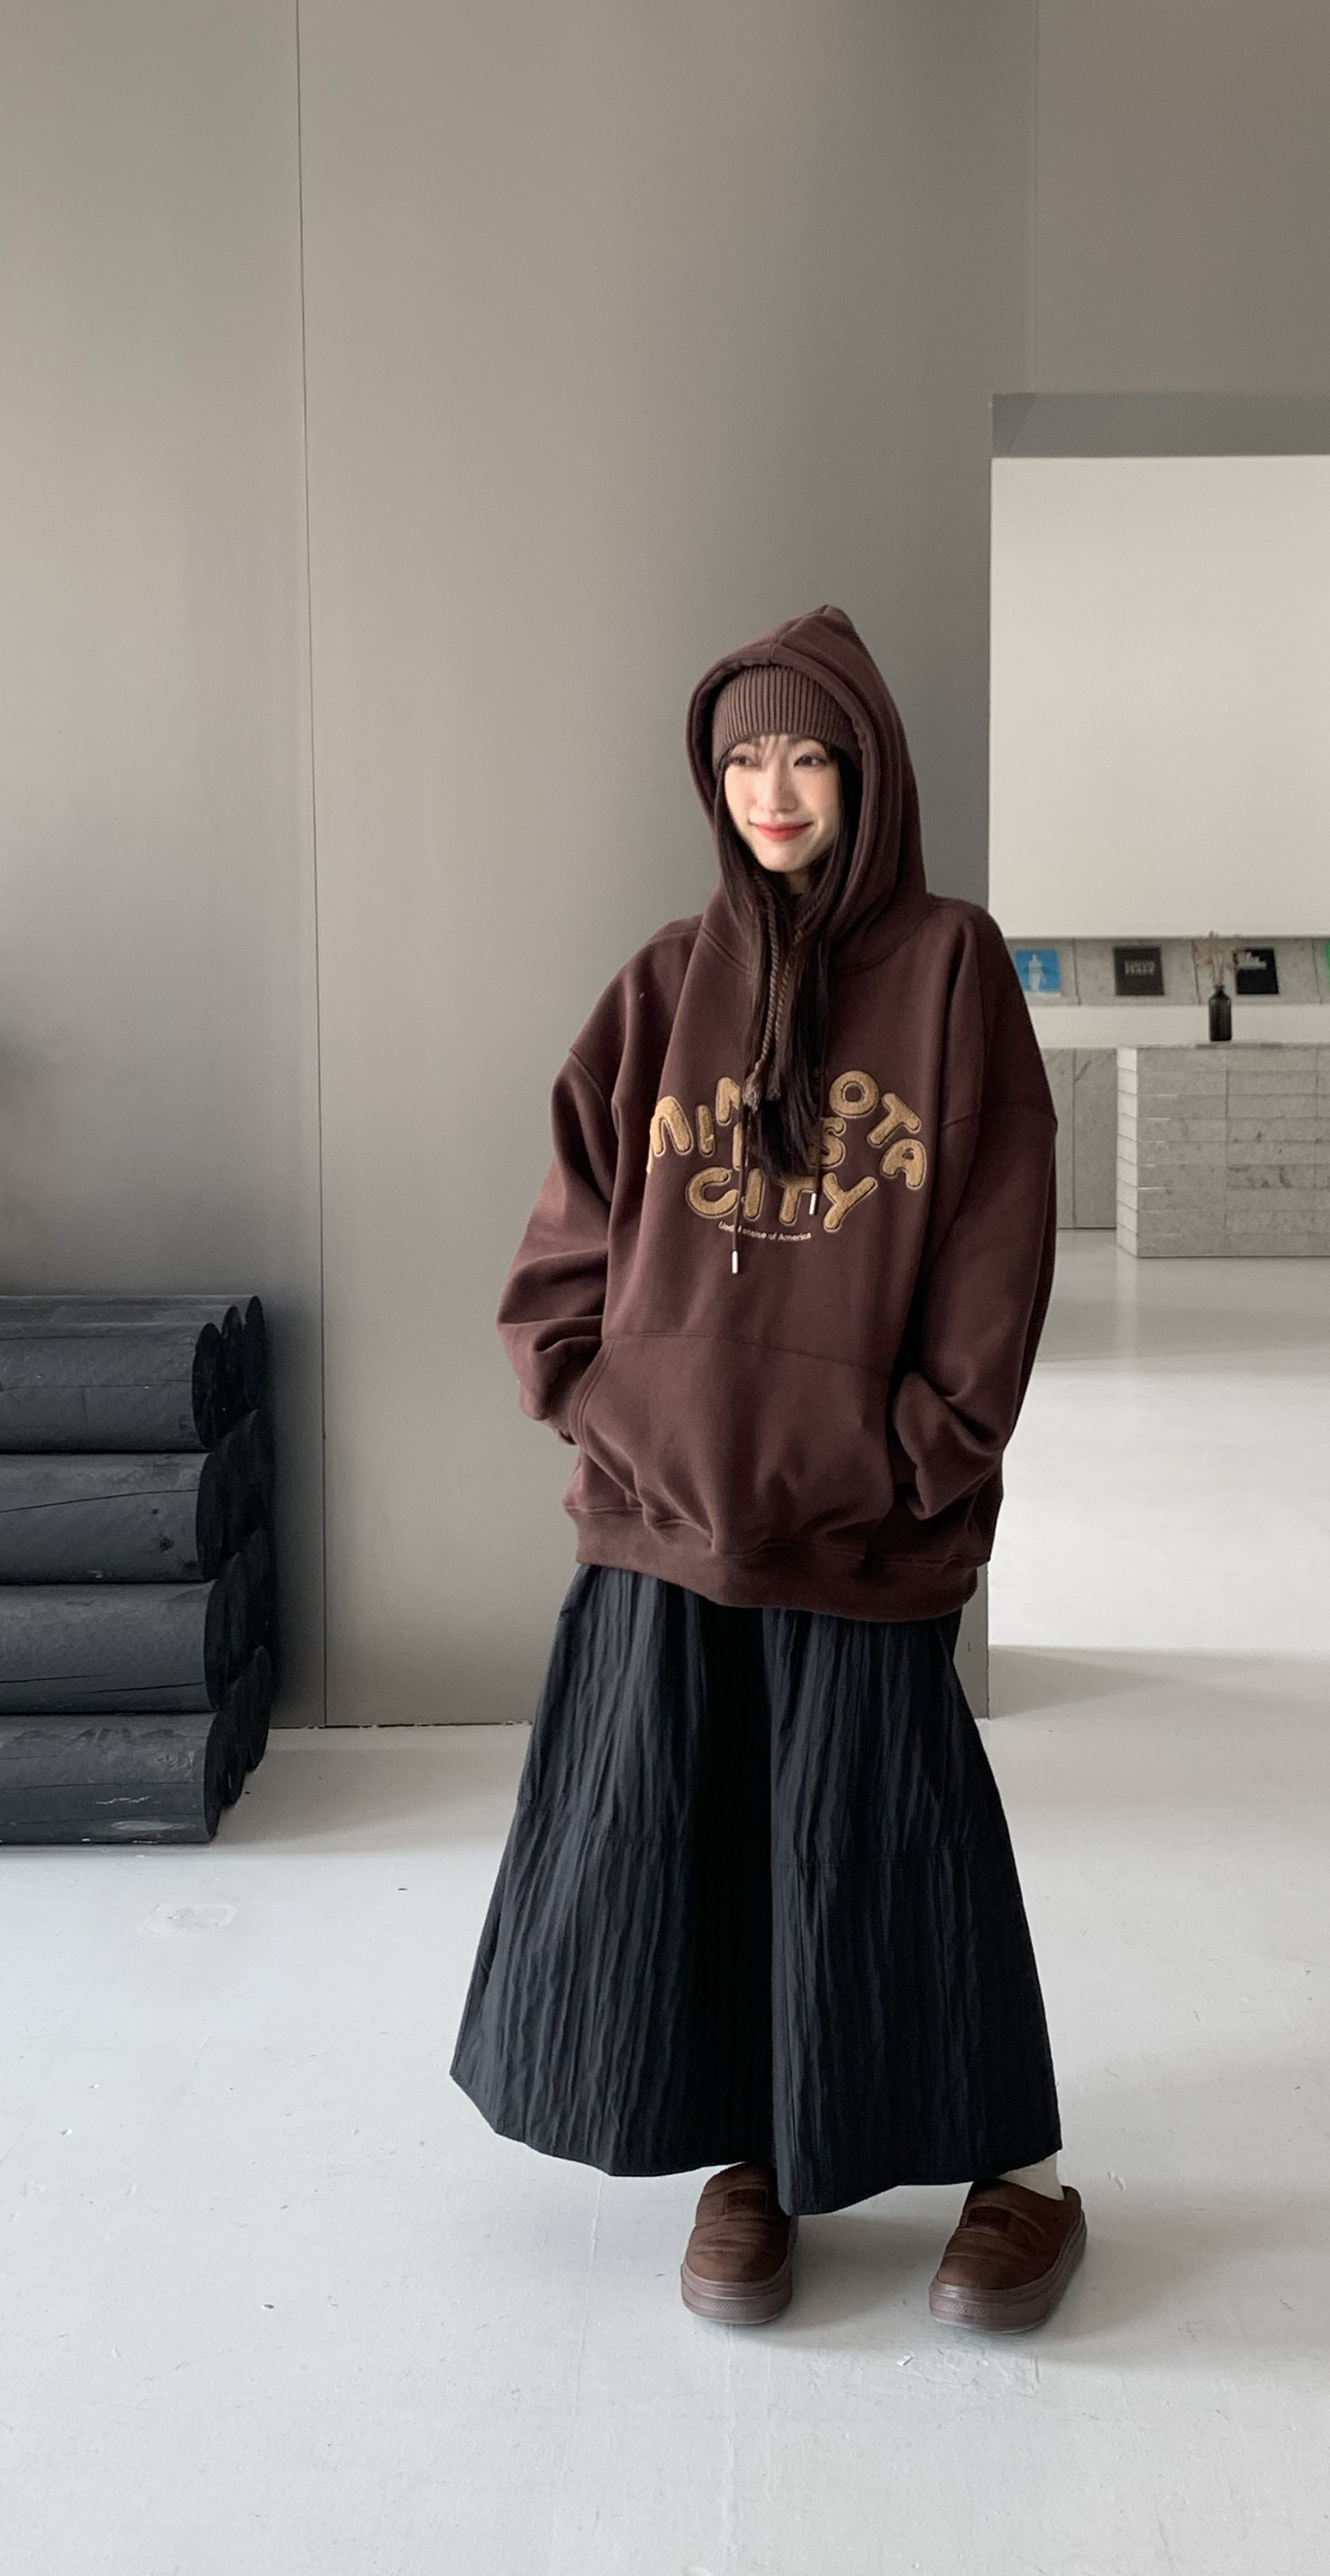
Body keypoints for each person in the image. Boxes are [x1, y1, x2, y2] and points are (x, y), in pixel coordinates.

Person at [452, 604, 1082, 2334]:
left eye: (807, 755)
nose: (774, 790)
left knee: (896, 1847)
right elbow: (570, 1224)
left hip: (858, 1522)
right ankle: (750, 2153)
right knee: (694, 1839)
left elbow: (997, 1239)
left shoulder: (950, 967)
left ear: (866, 771)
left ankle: (1021, 2176)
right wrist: (598, 1395)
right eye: (744, 759)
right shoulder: (666, 981)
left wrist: (913, 1452)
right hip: (664, 1517)